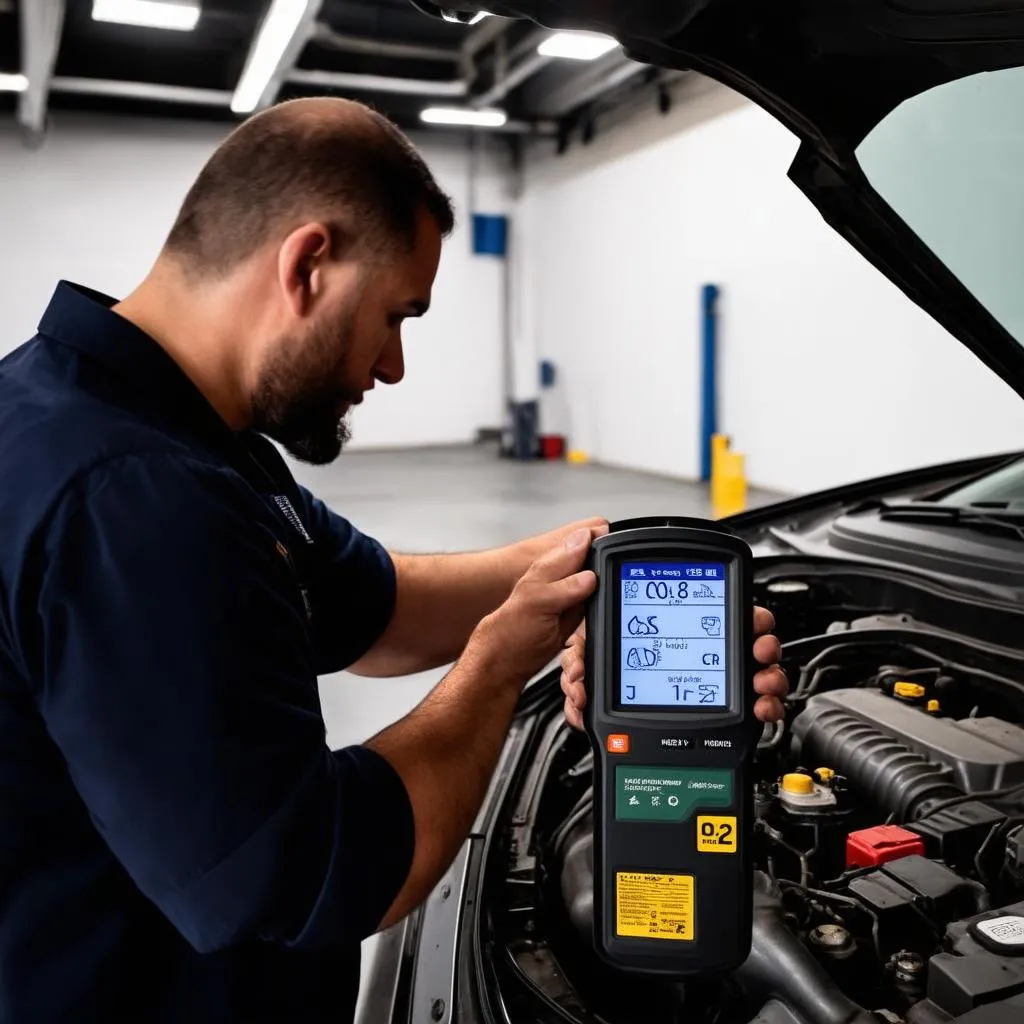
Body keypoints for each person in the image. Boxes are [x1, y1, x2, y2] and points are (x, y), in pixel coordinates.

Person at [0, 97, 788, 1023]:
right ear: (307, 265)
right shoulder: (135, 500)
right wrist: (497, 668)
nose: (395, 366)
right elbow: (310, 878)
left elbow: (374, 607)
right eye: (395, 315)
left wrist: (587, 564)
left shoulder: (154, 427)